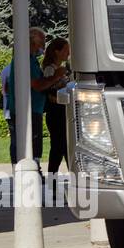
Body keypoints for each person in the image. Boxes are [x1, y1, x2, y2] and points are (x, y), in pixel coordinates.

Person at [3, 28, 67, 168]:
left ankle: (37, 172)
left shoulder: (32, 60)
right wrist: (56, 77)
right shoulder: (25, 60)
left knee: (44, 144)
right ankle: (32, 171)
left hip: (34, 109)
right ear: (33, 42)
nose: (44, 45)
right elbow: (37, 85)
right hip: (28, 109)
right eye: (42, 42)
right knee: (40, 144)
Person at [41, 37, 71, 177]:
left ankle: (72, 178)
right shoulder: (50, 69)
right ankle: (53, 181)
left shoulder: (63, 69)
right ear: (57, 52)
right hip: (55, 113)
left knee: (65, 146)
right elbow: (49, 91)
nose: (68, 53)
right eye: (65, 50)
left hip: (63, 111)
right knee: (58, 147)